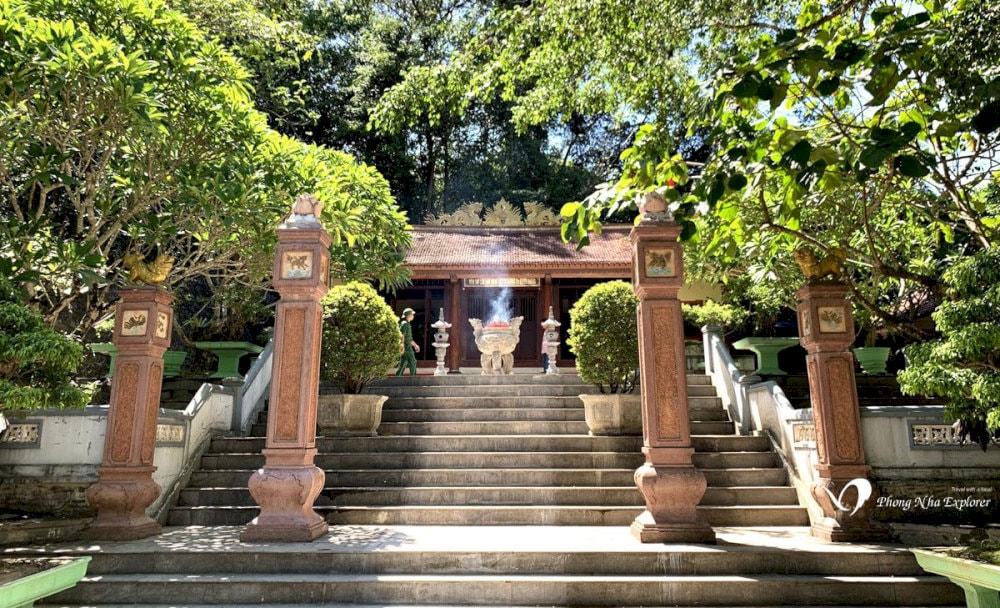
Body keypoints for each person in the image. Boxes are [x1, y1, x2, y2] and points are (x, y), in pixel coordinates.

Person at [396, 308, 420, 376]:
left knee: (403, 363)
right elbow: (402, 336)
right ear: (409, 315)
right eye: (412, 314)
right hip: (406, 348)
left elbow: (409, 338)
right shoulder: (405, 324)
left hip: (407, 346)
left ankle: (397, 378)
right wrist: (402, 347)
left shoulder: (407, 324)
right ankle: (413, 378)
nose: (413, 316)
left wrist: (415, 345)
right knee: (413, 362)